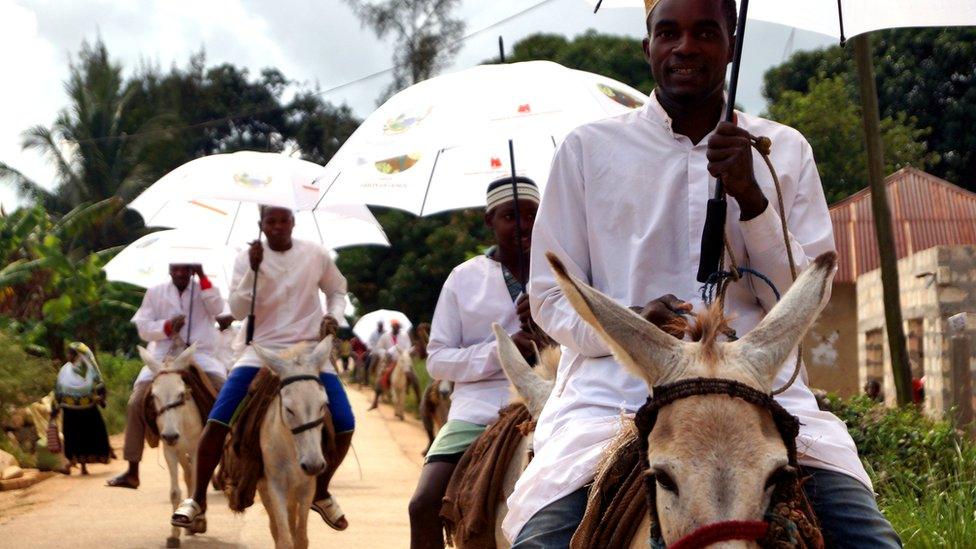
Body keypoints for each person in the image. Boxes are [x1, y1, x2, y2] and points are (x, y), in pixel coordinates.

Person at [505, 1, 901, 547]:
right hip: (612, 399)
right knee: (544, 538)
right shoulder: (586, 151)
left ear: (731, 45)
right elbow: (550, 296)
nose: (685, 47)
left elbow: (808, 291)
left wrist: (751, 196)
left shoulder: (783, 149)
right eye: (668, 32)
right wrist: (633, 324)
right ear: (648, 47)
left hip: (762, 398)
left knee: (870, 541)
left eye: (704, 32)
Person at [171, 206, 355, 532]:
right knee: (217, 420)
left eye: (284, 220)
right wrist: (253, 270)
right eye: (271, 221)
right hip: (262, 352)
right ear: (262, 225)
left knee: (344, 421)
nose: (278, 226)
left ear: (292, 222)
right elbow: (239, 310)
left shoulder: (316, 254)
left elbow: (337, 290)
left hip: (311, 353)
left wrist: (334, 317)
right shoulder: (246, 259)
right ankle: (197, 498)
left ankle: (322, 490)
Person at [409, 177, 544, 549]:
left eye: (532, 214)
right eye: (510, 216)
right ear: (490, 221)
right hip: (479, 408)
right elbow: (437, 360)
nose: (524, 225)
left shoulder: (560, 271)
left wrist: (547, 329)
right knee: (423, 504)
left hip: (552, 401)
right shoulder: (463, 278)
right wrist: (502, 350)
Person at [108, 263, 227, 489]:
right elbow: (143, 328)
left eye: (186, 269)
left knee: (224, 395)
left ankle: (229, 461)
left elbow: (218, 308)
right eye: (176, 269)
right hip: (162, 357)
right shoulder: (155, 292)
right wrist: (166, 327)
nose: (181, 273)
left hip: (198, 355)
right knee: (136, 402)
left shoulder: (204, 288)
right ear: (170, 269)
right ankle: (133, 469)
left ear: (192, 269)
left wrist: (202, 277)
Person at [54, 342, 112, 475]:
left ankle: (84, 466)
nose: (67, 356)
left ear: (77, 355)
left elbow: (100, 387)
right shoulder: (65, 370)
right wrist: (56, 405)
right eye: (67, 353)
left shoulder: (90, 370)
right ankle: (71, 463)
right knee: (72, 437)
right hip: (70, 410)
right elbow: (58, 388)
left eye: (70, 353)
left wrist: (100, 398)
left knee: (87, 437)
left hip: (88, 409)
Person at [368, 319, 414, 411]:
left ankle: (417, 398)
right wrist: (386, 353)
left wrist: (404, 353)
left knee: (413, 376)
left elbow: (409, 347)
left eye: (398, 327)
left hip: (402, 360)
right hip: (389, 361)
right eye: (395, 327)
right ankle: (375, 401)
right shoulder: (385, 336)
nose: (396, 329)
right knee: (381, 377)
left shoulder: (404, 336)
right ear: (392, 327)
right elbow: (379, 348)